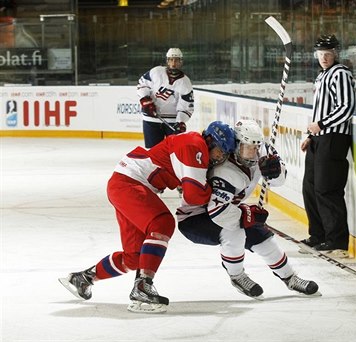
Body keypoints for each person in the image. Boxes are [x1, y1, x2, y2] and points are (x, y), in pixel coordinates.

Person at [58, 121, 236, 314]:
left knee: (134, 258)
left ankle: (83, 279)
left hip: (125, 183)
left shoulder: (194, 145)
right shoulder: (195, 145)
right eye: (220, 151)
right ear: (210, 141)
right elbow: (193, 195)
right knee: (162, 222)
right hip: (129, 183)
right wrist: (217, 193)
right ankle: (142, 287)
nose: (220, 157)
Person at [177, 119, 319, 298]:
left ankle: (290, 278)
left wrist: (274, 171)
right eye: (247, 148)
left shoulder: (262, 151)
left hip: (227, 210)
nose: (253, 153)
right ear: (236, 146)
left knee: (264, 239)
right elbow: (218, 212)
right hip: (195, 218)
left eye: (255, 147)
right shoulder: (224, 170)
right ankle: (237, 276)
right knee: (234, 232)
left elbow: (280, 180)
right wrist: (248, 215)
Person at [300, 34, 355, 257]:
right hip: (319, 138)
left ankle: (336, 240)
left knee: (327, 189)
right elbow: (320, 110)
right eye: (321, 53)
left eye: (328, 53)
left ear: (336, 54)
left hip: (334, 138)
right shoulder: (322, 75)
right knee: (310, 187)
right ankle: (319, 235)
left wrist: (321, 125)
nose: (324, 57)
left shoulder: (340, 73)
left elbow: (346, 107)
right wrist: (310, 135)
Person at [137, 47, 194, 149]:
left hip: (172, 121)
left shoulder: (185, 82)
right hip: (151, 119)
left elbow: (186, 106)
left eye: (176, 60)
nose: (173, 63)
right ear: (167, 61)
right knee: (153, 152)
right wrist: (145, 100)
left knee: (174, 153)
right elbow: (142, 84)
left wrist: (180, 122)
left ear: (181, 62)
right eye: (171, 59)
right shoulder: (156, 72)